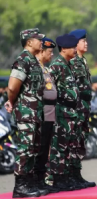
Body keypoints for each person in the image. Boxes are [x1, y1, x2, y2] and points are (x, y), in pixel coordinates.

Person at [5, 28, 49, 198]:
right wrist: (14, 101)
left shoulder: (33, 60)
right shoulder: (22, 60)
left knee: (33, 147)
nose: (42, 42)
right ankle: (20, 186)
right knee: (25, 148)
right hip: (26, 111)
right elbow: (12, 87)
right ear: (29, 42)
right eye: (39, 39)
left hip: (35, 112)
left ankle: (29, 183)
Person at [45, 34, 79, 191]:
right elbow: (49, 90)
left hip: (69, 113)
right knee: (58, 147)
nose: (75, 50)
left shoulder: (67, 64)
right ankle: (56, 179)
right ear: (64, 49)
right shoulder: (57, 65)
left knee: (66, 147)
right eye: (73, 48)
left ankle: (64, 178)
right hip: (60, 112)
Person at [68, 29, 96, 187]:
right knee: (73, 141)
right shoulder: (72, 62)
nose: (86, 43)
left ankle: (77, 174)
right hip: (75, 107)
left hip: (84, 106)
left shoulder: (82, 61)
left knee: (81, 140)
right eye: (83, 41)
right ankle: (70, 176)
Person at [34, 37, 60, 193]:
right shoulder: (35, 68)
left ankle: (42, 179)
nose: (51, 55)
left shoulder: (45, 68)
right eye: (49, 52)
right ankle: (35, 181)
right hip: (40, 113)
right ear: (41, 51)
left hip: (49, 113)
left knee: (45, 148)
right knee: (38, 148)